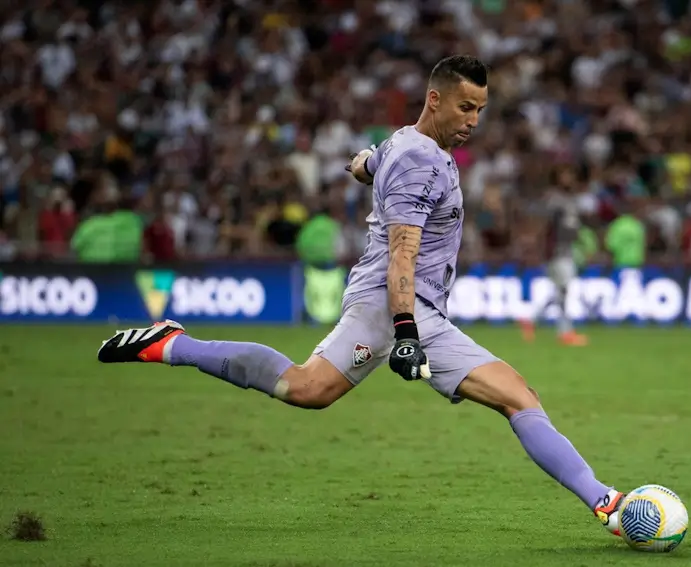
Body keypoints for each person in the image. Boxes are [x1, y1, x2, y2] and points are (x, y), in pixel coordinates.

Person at [96, 55, 627, 535]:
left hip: (421, 310)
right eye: (466, 107)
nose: (473, 121)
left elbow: (366, 164)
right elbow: (402, 254)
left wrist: (363, 165)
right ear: (434, 100)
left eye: (481, 110)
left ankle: (607, 504)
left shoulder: (405, 143)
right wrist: (403, 333)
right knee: (306, 389)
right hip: (389, 303)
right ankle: (173, 344)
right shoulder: (418, 160)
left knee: (514, 396)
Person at [519, 170, 591, 346]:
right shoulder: (555, 202)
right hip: (557, 253)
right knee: (564, 289)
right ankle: (565, 332)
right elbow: (545, 227)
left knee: (560, 291)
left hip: (567, 251)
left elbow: (572, 229)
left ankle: (532, 319)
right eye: (566, 176)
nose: (570, 179)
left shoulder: (570, 202)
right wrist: (540, 250)